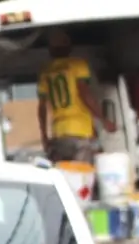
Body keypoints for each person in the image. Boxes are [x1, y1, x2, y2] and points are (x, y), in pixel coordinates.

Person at [38, 29, 115, 164]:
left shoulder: (45, 72)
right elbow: (84, 93)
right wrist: (103, 119)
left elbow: (41, 108)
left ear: (50, 50)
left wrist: (44, 136)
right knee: (86, 170)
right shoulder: (78, 65)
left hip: (59, 133)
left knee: (64, 172)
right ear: (69, 47)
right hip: (81, 132)